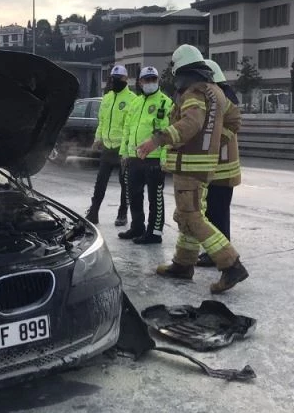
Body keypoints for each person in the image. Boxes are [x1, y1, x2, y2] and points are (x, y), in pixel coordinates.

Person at [136, 45, 248, 294]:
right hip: (203, 165)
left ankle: (231, 265)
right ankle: (183, 264)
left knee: (193, 216)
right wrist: (216, 142)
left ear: (180, 69)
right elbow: (235, 119)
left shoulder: (194, 92)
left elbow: (191, 122)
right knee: (187, 213)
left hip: (189, 163)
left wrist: (157, 139)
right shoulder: (217, 92)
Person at [196, 59, 242, 267]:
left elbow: (220, 132)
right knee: (214, 211)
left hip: (221, 169)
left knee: (217, 212)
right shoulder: (222, 97)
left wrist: (210, 142)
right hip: (217, 168)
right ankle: (216, 252)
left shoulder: (220, 99)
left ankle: (220, 254)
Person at [118, 66, 172, 244]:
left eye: (153, 79)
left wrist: (164, 158)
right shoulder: (135, 102)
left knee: (154, 197)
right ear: (140, 82)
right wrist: (124, 153)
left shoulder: (165, 102)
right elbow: (127, 128)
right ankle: (137, 227)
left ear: (158, 81)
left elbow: (166, 133)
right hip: (135, 157)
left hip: (154, 157)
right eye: (146, 80)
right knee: (134, 194)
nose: (150, 83)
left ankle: (154, 232)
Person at [85, 65, 136, 225]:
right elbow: (102, 122)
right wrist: (97, 139)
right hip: (107, 148)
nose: (114, 81)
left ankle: (122, 214)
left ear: (125, 79)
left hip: (122, 149)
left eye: (117, 78)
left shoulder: (132, 99)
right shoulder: (106, 98)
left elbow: (132, 127)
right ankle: (94, 212)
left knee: (125, 183)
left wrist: (128, 149)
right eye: (112, 78)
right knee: (100, 182)